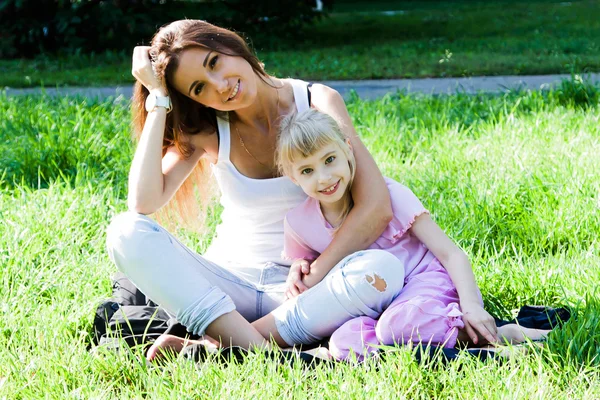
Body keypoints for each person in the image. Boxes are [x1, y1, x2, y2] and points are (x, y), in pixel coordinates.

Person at [105, 19, 408, 360]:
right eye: (199, 88)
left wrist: (316, 274)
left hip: (308, 290)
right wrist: (158, 98)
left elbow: (376, 206)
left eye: (214, 63)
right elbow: (143, 202)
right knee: (124, 232)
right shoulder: (208, 132)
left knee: (384, 271)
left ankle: (220, 346)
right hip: (229, 290)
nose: (220, 86)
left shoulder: (316, 101)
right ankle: (263, 352)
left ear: (230, 45)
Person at [275, 109, 550, 361]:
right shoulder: (298, 223)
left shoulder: (389, 196)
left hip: (422, 283)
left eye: (330, 159)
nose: (323, 177)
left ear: (348, 150)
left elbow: (451, 254)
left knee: (398, 325)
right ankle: (469, 350)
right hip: (374, 306)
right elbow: (307, 271)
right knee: (344, 342)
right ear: (292, 177)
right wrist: (297, 269)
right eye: (307, 170)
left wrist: (472, 306)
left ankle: (500, 335)